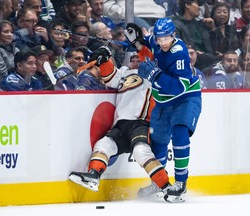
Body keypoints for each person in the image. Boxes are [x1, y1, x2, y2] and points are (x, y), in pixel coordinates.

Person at [68, 45, 171, 196]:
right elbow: (110, 77)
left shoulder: (152, 75)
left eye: (139, 58)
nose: (136, 60)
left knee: (141, 151)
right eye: (133, 58)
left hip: (140, 122)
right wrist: (104, 59)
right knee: (103, 144)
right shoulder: (123, 73)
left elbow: (152, 61)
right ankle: (94, 176)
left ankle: (166, 187)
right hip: (121, 125)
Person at [124, 17, 202, 202]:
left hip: (185, 99)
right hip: (163, 102)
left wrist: (155, 75)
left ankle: (181, 183)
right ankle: (160, 181)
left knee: (180, 133)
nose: (162, 42)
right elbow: (147, 41)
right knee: (158, 141)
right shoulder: (157, 42)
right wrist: (136, 41)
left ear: (173, 35)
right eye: (159, 38)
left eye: (166, 38)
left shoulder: (179, 52)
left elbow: (179, 87)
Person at [172, 0, 220, 70]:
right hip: (187, 67)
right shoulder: (175, 25)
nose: (200, 8)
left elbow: (214, 50)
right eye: (197, 4)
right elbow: (178, 51)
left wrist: (213, 29)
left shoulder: (201, 24)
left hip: (207, 66)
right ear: (187, 5)